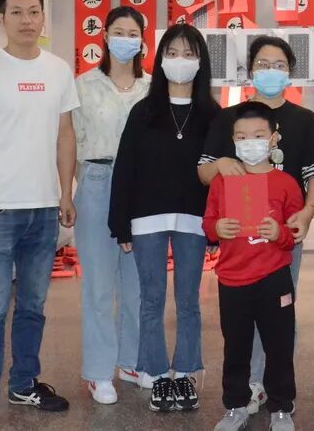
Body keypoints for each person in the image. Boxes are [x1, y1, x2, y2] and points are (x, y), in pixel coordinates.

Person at [0, 0, 79, 430]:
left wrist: (65, 194)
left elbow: (65, 136)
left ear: (43, 17)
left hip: (44, 209)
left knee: (33, 305)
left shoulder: (58, 70)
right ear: (1, 18)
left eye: (34, 12)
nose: (27, 20)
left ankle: (24, 383)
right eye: (17, 12)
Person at [198, 35, 314, 413]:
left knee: (279, 316)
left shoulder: (304, 120)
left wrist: (307, 212)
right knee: (239, 320)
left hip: (283, 235)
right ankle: (250, 386)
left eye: (279, 65)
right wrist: (221, 164)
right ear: (250, 70)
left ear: (290, 72)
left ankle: (277, 390)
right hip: (239, 244)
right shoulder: (229, 118)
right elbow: (204, 172)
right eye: (263, 64)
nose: (271, 71)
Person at [109, 23, 220, 413]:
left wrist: (217, 227)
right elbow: (125, 169)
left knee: (189, 300)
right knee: (151, 300)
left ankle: (185, 372)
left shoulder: (212, 114)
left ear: (201, 61)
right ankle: (156, 374)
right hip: (147, 219)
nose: (180, 61)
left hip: (194, 220)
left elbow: (220, 174)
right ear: (160, 60)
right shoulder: (144, 111)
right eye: (172, 53)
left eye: (189, 54)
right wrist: (120, 223)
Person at [203, 101, 303, 431]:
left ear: (274, 138)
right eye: (242, 137)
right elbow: (208, 222)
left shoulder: (286, 183)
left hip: (274, 277)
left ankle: (281, 407)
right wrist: (217, 228)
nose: (250, 143)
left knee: (279, 345)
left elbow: (294, 234)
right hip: (232, 278)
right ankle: (235, 406)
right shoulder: (223, 181)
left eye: (258, 135)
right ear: (233, 140)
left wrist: (279, 234)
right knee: (236, 347)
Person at [72, 6, 150, 404]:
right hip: (98, 182)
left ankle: (132, 361)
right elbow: (71, 141)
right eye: (118, 31)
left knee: (137, 284)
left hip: (142, 189)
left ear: (142, 40)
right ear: (104, 36)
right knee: (99, 286)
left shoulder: (152, 88)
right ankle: (99, 371)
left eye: (132, 33)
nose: (125, 39)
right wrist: (69, 191)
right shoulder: (84, 85)